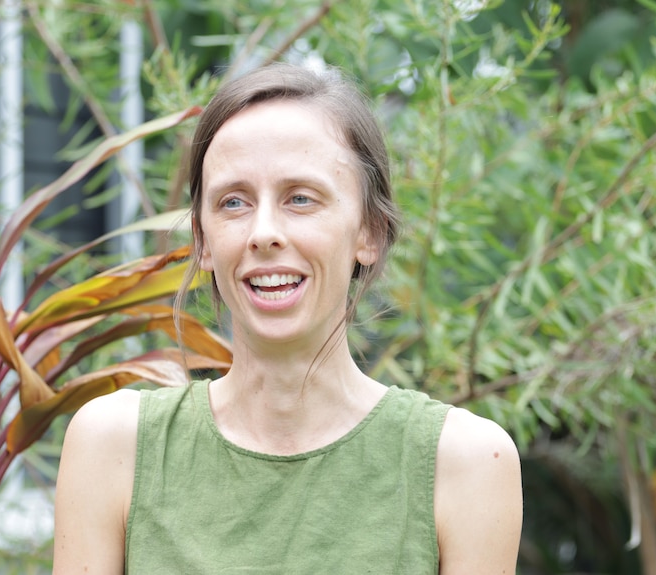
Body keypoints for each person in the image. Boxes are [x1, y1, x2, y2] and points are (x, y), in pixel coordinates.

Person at [53, 63, 523, 574]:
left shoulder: (465, 465)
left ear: (370, 232)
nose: (264, 232)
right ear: (204, 241)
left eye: (301, 198)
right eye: (234, 202)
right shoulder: (114, 449)